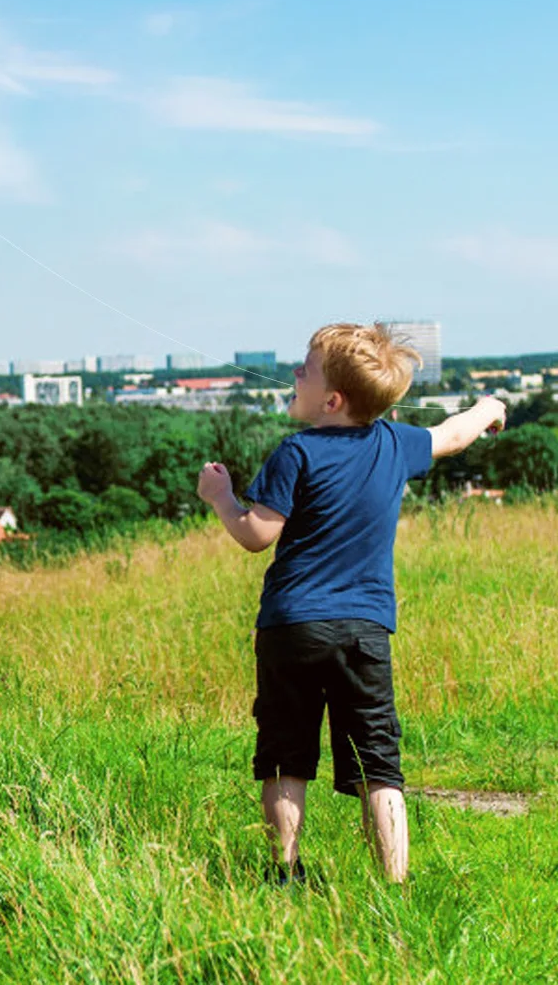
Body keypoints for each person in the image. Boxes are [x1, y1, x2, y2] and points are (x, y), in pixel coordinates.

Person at [196, 322, 505, 883]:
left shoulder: (296, 452)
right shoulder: (395, 444)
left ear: (332, 400)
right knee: (378, 765)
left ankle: (285, 874)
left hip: (291, 627)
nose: (294, 373)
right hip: (364, 630)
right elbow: (454, 435)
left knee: (286, 758)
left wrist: (221, 498)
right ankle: (394, 885)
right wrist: (489, 408)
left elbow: (256, 535)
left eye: (306, 368)